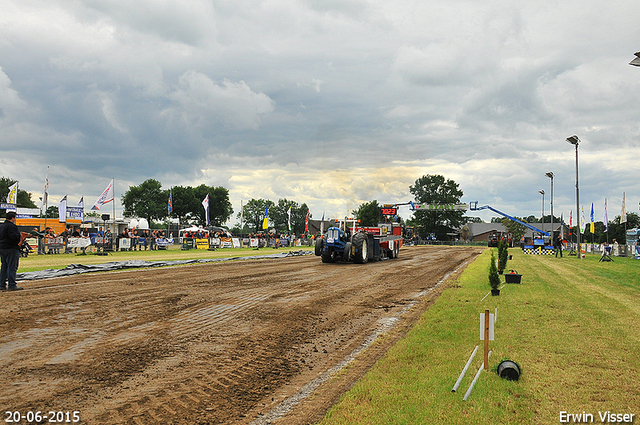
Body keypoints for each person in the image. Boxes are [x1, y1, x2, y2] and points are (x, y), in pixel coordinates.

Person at [0, 211, 24, 290]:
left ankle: (2, 284)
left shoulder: (2, 226)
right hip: (11, 248)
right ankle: (12, 284)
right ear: (13, 218)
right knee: (12, 266)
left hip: (2, 248)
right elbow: (14, 237)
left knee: (4, 266)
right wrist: (20, 237)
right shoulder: (12, 226)